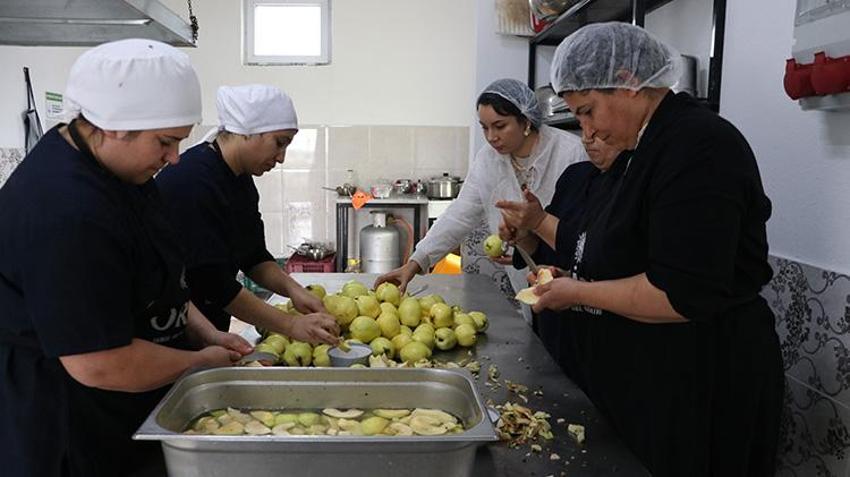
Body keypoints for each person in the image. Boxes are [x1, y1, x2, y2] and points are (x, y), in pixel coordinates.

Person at [498, 22, 783, 477]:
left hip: (706, 374)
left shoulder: (698, 145)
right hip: (658, 374)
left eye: (589, 111)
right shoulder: (643, 147)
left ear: (630, 82)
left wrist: (576, 293)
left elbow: (680, 293)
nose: (587, 130)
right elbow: (610, 247)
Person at [0, 39, 252, 477]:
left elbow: (158, 278)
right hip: (72, 427)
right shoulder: (66, 211)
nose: (175, 158)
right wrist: (198, 364)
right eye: (166, 142)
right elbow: (99, 362)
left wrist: (207, 334)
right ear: (115, 126)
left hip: (130, 409)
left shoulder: (121, 168)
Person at [375, 78, 587, 322]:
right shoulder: (488, 160)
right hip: (525, 276)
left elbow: (581, 228)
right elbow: (459, 215)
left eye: (500, 126)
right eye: (485, 128)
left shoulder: (569, 152)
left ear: (526, 121)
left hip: (570, 277)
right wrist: (415, 262)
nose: (491, 137)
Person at [156, 85, 340, 345]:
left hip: (212, 328)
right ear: (247, 132)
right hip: (175, 335)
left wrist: (294, 290)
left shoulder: (239, 179)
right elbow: (212, 283)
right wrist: (290, 324)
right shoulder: (192, 181)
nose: (282, 158)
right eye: (280, 143)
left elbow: (253, 256)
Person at [497, 134, 623, 385]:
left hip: (602, 345)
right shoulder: (574, 177)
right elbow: (544, 252)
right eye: (583, 123)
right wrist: (523, 237)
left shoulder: (630, 188)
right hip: (554, 337)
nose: (587, 137)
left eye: (594, 121)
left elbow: (601, 259)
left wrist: (539, 222)